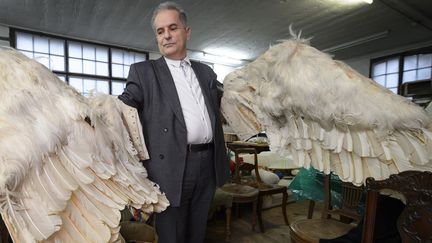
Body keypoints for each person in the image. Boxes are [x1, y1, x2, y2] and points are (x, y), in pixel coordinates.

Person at [118, 2, 230, 242]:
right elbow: (123, 106)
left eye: (172, 28)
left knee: (198, 231)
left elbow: (227, 105)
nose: (166, 35)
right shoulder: (144, 72)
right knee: (172, 235)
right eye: (160, 31)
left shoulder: (205, 72)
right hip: (170, 166)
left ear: (186, 32)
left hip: (208, 162)